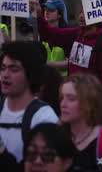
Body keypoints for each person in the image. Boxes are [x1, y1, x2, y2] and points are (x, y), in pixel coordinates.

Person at [0, 41, 59, 169]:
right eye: (3, 68)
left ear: (30, 74)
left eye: (13, 69)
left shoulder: (43, 117)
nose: (5, 75)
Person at [32, 2, 102, 86]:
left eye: (86, 13)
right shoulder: (76, 34)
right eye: (81, 12)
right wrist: (38, 16)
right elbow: (50, 34)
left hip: (91, 95)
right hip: (73, 92)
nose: (81, 16)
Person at [42, 0, 69, 76]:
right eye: (45, 9)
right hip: (45, 82)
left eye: (51, 10)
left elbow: (70, 63)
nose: (46, 12)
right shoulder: (40, 34)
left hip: (63, 82)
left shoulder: (67, 35)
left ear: (60, 14)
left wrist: (46, 64)